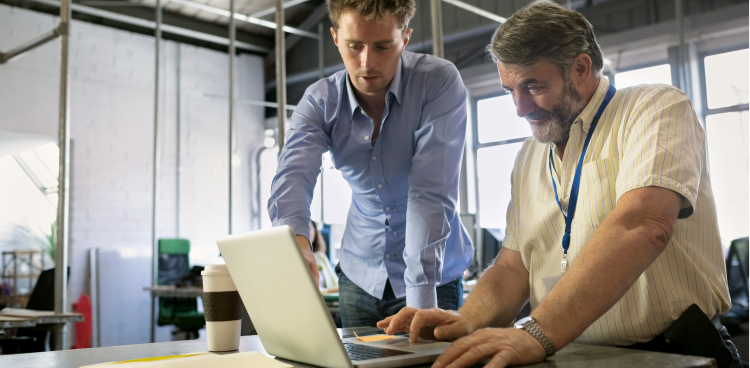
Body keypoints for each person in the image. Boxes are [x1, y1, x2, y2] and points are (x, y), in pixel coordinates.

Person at [378, 1, 738, 367]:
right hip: (573, 353)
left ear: (580, 68)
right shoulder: (529, 156)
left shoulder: (654, 108)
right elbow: (513, 266)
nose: (520, 108)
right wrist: (466, 319)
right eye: (509, 90)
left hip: (674, 353)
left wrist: (536, 330)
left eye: (532, 86)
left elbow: (642, 225)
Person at [267, 0, 473, 328]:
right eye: (354, 46)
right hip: (359, 276)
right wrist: (296, 240)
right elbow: (294, 172)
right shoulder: (320, 101)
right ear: (335, 37)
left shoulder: (437, 83)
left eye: (382, 46)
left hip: (433, 274)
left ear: (405, 38)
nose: (367, 62)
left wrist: (420, 300)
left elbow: (430, 192)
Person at [309, 221, 338, 291]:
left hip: (326, 300)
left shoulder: (321, 257)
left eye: (308, 229)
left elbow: (335, 283)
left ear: (315, 232)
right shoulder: (293, 258)